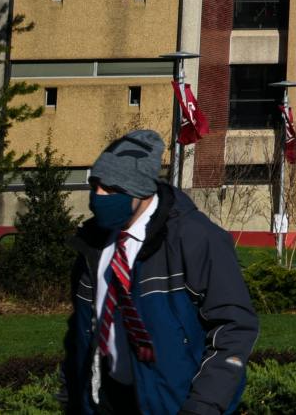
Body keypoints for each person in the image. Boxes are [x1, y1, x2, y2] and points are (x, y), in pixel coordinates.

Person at [62, 129, 258, 414]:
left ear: (141, 191)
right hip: (108, 401)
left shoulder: (195, 238)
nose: (98, 196)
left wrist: (203, 406)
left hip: (175, 404)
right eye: (95, 185)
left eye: (112, 189)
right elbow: (81, 330)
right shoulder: (93, 242)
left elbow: (234, 328)